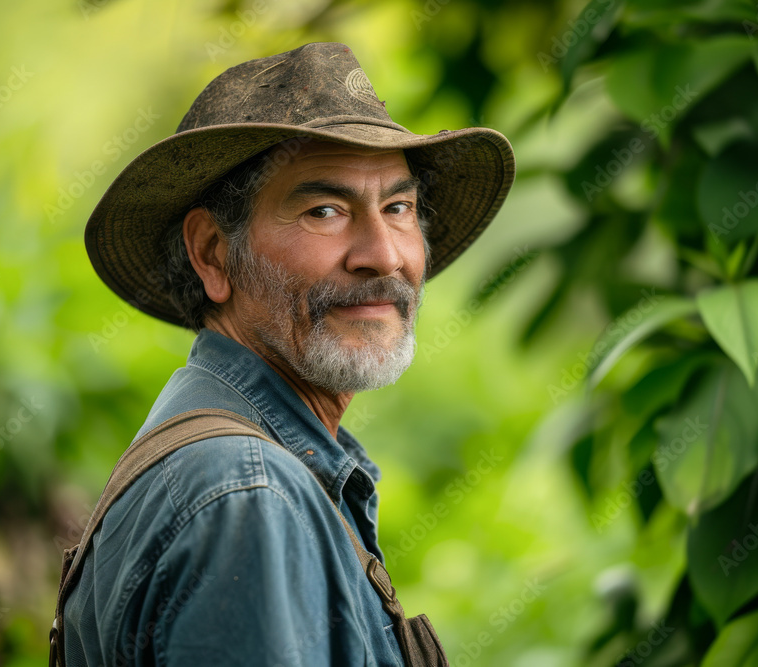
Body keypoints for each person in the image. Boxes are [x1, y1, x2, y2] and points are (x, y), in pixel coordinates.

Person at [50, 41, 514, 666]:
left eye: (398, 207)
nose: (384, 254)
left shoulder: (236, 470)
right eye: (324, 210)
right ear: (213, 253)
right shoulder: (247, 496)